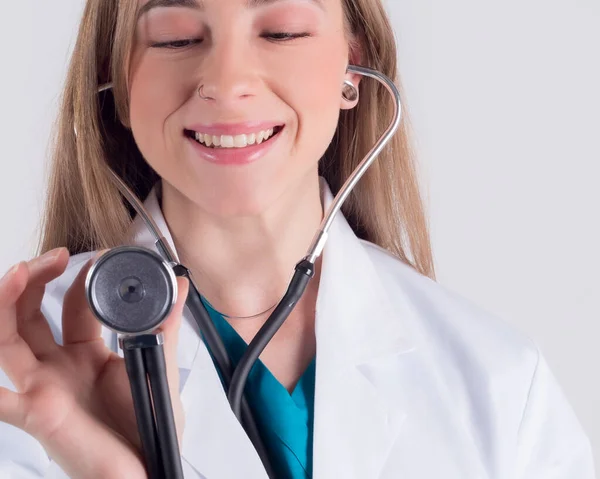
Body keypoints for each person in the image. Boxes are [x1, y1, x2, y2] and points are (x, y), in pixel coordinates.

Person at [0, 0, 595, 477]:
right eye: (177, 37)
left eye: (282, 31)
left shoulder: (499, 383)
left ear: (351, 69)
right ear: (118, 82)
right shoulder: (20, 382)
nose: (227, 82)